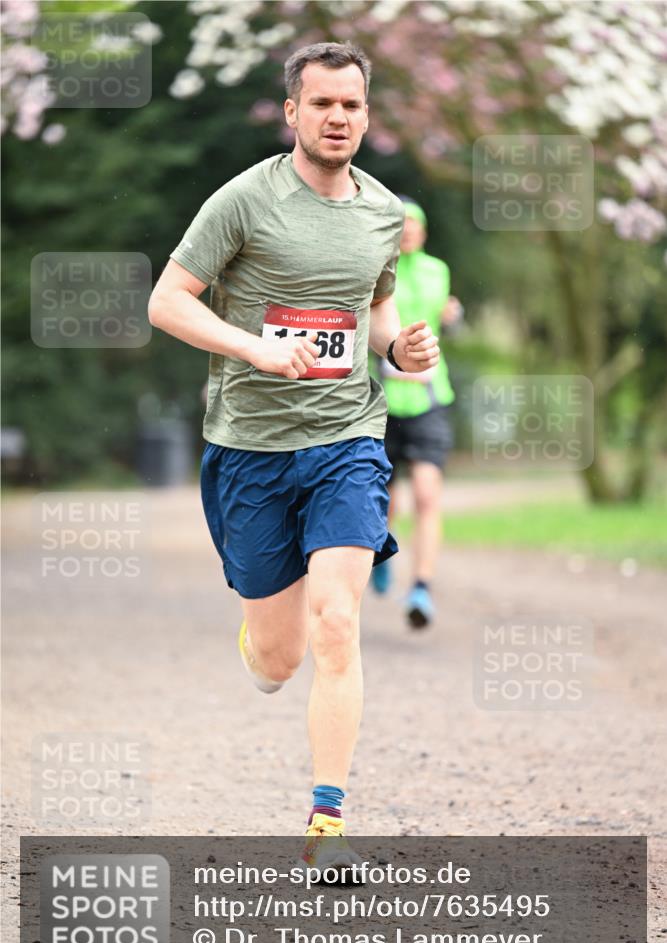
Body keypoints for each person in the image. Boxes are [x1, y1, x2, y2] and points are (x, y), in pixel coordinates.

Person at [147, 42, 439, 873]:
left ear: (365, 113)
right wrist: (254, 350)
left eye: (351, 104)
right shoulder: (242, 201)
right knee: (279, 658)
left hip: (347, 438)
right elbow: (166, 302)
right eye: (322, 105)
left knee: (339, 622)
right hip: (250, 449)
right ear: (293, 112)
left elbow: (373, 315)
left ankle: (326, 819)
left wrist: (400, 352)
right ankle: (258, 642)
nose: (338, 117)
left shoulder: (382, 213)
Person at [371, 200, 460, 629]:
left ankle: (422, 586)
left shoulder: (438, 271)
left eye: (414, 225)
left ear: (423, 232)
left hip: (428, 398)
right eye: (400, 224)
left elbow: (446, 319)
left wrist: (454, 317)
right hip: (383, 401)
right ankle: (381, 554)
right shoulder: (376, 269)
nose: (407, 230)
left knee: (426, 495)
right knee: (384, 500)